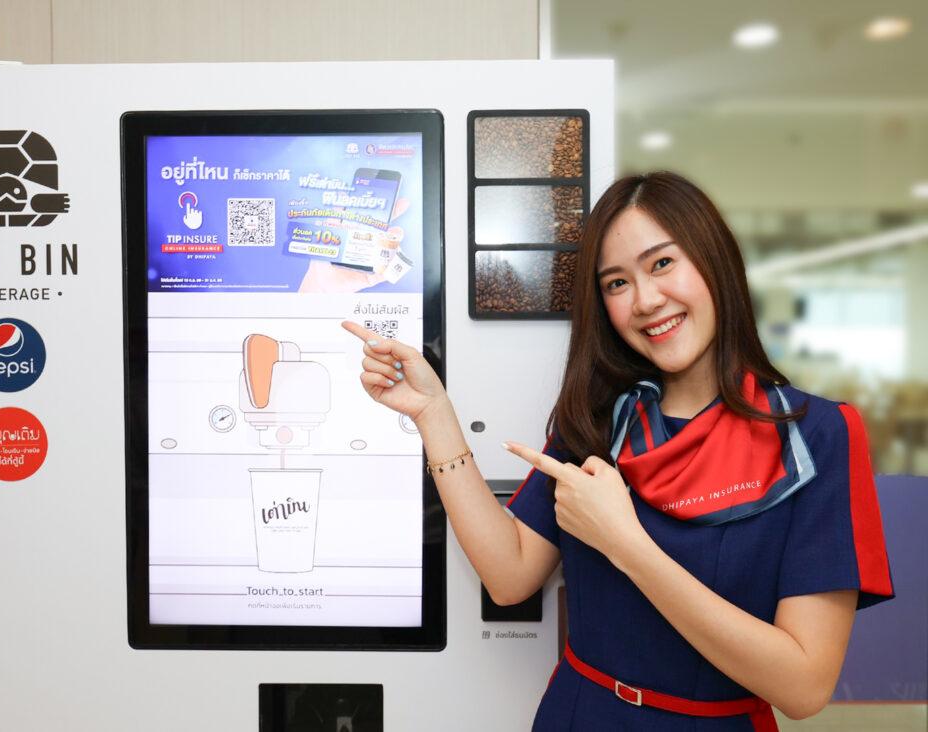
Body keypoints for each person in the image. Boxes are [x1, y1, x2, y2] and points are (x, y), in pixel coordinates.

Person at [341, 171, 893, 730]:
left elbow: (803, 686)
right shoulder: (602, 419)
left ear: (715, 261)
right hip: (579, 714)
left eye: (662, 263)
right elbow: (509, 576)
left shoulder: (815, 434)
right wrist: (433, 413)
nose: (646, 300)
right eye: (616, 283)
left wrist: (625, 543)